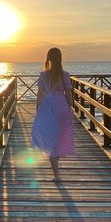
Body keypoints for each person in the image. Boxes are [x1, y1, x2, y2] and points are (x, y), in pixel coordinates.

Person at [31, 47, 76, 182]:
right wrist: (70, 107)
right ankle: (57, 168)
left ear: (48, 59)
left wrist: (38, 109)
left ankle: (56, 173)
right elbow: (68, 94)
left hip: (47, 107)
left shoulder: (44, 75)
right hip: (61, 106)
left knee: (50, 139)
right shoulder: (65, 75)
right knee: (58, 138)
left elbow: (40, 94)